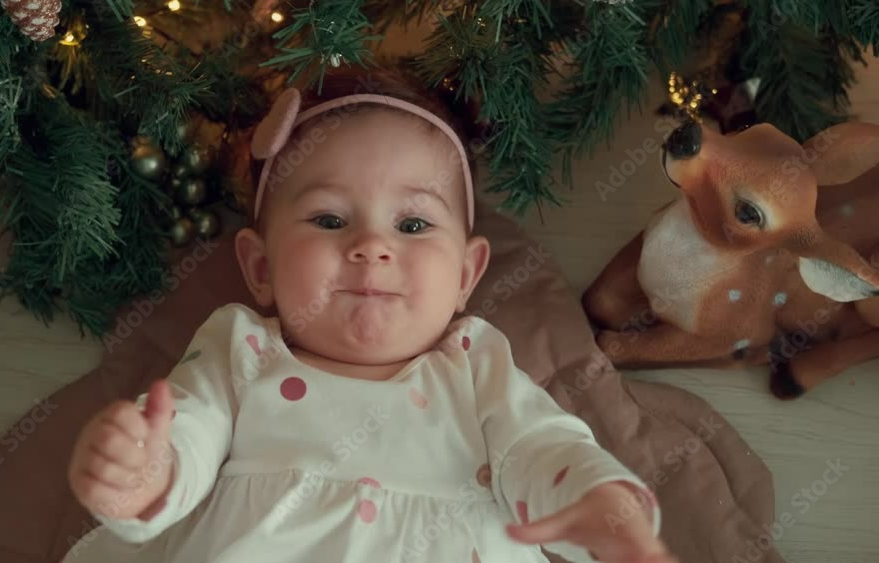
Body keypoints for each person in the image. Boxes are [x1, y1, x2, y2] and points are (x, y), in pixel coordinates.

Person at [63, 67, 678, 563]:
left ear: (465, 275)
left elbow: (538, 447)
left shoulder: (473, 364)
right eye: (329, 220)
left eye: (413, 224)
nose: (372, 247)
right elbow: (188, 427)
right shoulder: (241, 347)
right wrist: (149, 469)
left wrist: (596, 500)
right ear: (261, 268)